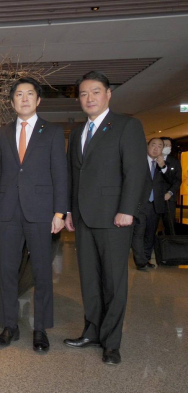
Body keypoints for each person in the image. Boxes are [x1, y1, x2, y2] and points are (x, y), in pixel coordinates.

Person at [64, 71, 146, 365]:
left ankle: (111, 342)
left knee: (113, 282)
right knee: (89, 280)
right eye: (84, 94)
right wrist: (69, 211)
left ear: (108, 94)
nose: (89, 98)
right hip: (84, 217)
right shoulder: (77, 133)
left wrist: (127, 209)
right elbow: (74, 175)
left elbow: (135, 171)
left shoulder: (127, 125)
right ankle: (92, 332)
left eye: (95, 92)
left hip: (114, 217)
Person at [0, 77, 67, 352]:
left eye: (29, 94)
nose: (24, 99)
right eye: (19, 95)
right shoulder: (1, 133)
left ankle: (40, 329)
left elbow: (60, 173)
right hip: (9, 210)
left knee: (42, 272)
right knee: (8, 271)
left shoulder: (53, 132)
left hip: (41, 211)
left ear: (38, 100)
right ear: (12, 102)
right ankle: (9, 325)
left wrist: (60, 212)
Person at [131, 138, 172, 271]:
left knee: (150, 234)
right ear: (147, 146)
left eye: (159, 146)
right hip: (140, 203)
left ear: (162, 149)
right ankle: (140, 262)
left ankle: (146, 258)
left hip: (156, 205)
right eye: (153, 145)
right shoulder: (139, 161)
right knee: (139, 233)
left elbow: (171, 181)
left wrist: (163, 166)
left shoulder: (164, 165)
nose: (156, 148)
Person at [160, 137, 182, 234]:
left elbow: (178, 180)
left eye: (169, 145)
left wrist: (170, 192)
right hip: (153, 198)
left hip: (169, 199)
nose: (168, 147)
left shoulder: (175, 161)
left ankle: (169, 242)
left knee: (169, 225)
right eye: (165, 145)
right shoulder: (152, 159)